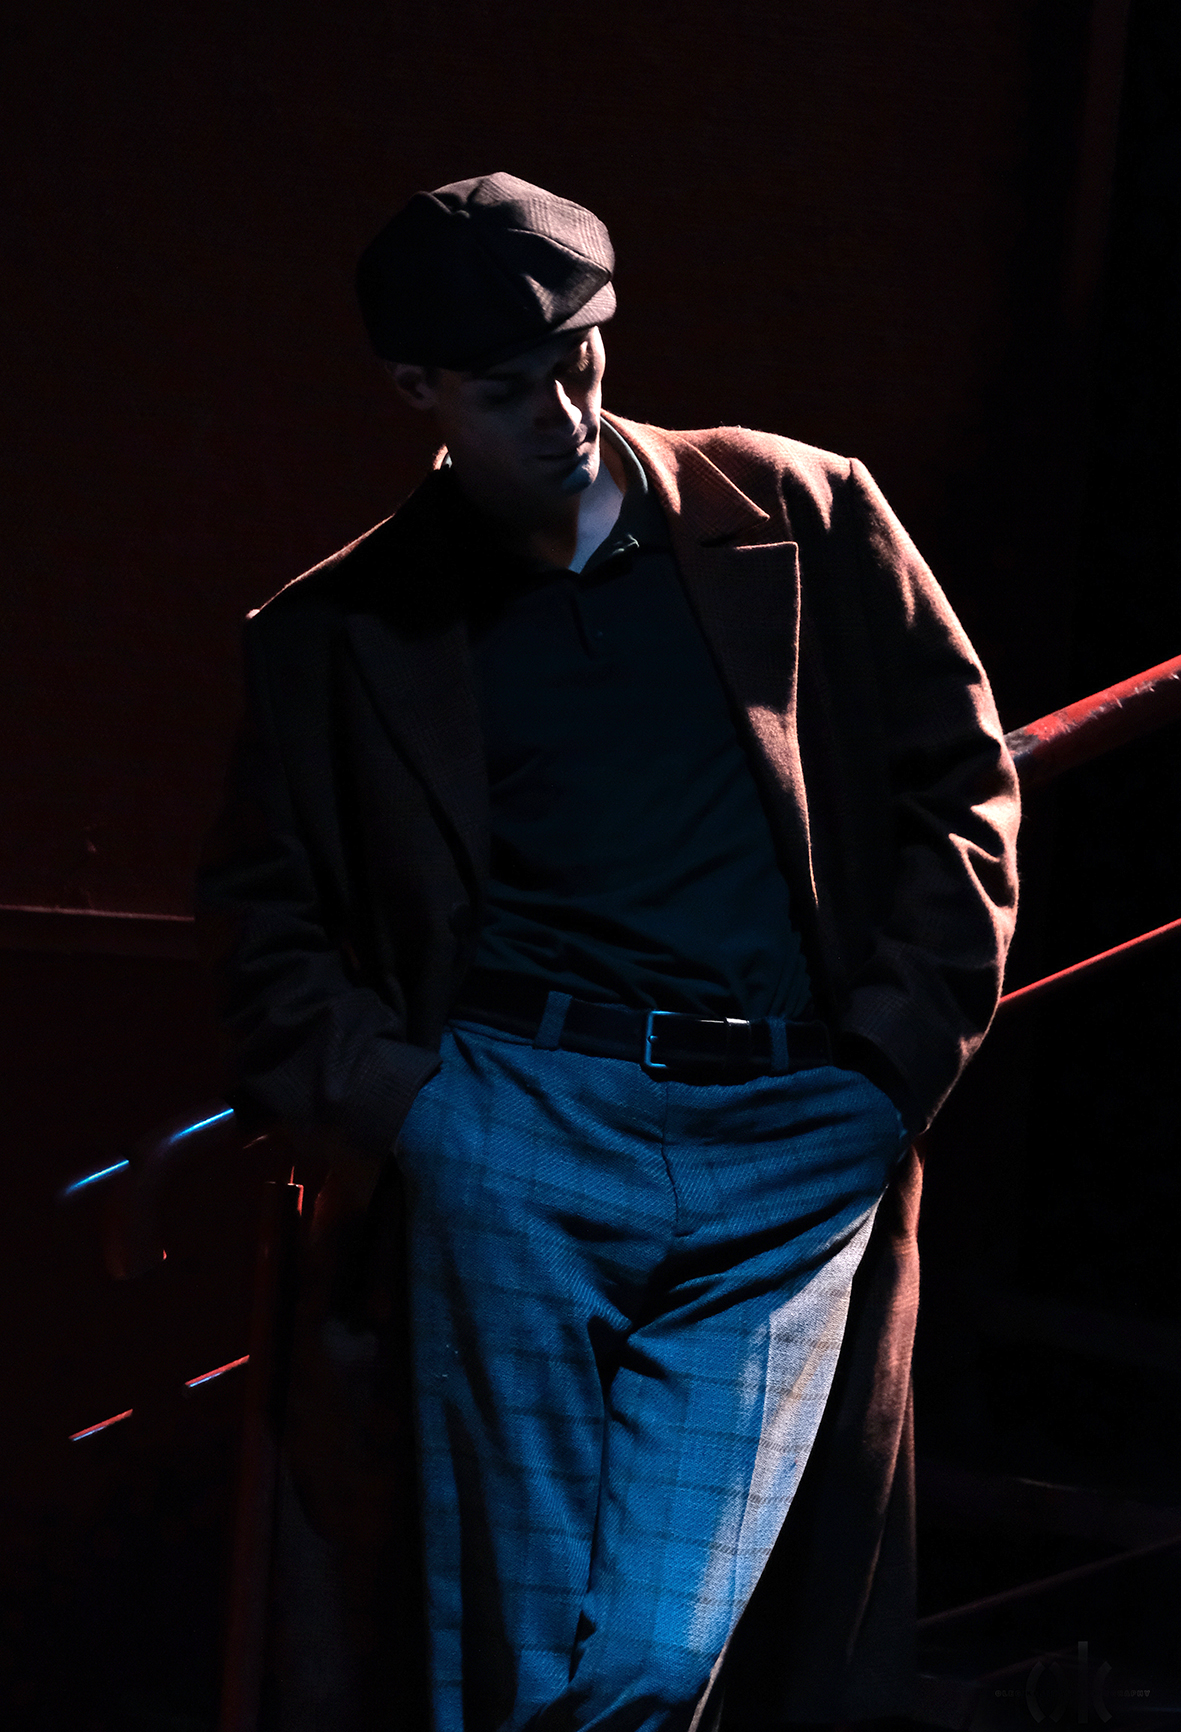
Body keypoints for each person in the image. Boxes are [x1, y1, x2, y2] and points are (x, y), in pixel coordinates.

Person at [198, 172, 1020, 1732]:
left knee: (653, 1650)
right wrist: (415, 1114)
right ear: (417, 390)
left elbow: (960, 793)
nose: (566, 413)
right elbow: (262, 918)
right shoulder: (333, 631)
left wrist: (884, 1074)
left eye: (581, 360)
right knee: (509, 1661)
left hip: (784, 1145)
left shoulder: (802, 512)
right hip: (513, 1134)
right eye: (509, 390)